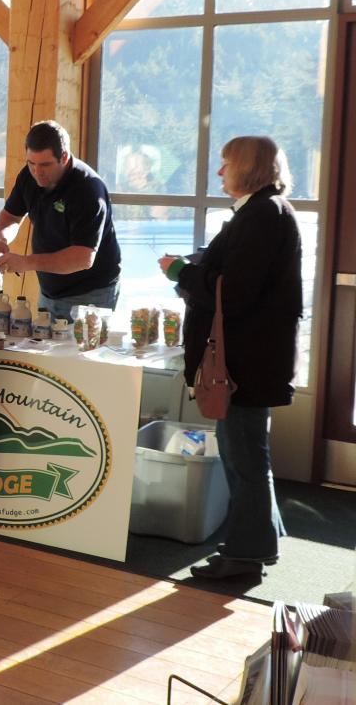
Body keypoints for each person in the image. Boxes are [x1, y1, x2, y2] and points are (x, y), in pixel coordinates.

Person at [158, 136, 302, 581]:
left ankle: (245, 555)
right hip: (250, 357)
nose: (219, 173)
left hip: (245, 361)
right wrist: (195, 268)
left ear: (248, 168)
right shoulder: (262, 212)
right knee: (246, 452)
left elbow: (234, 292)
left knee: (244, 456)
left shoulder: (263, 216)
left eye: (225, 164)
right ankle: (262, 538)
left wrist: (181, 272)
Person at [0, 121, 122, 321]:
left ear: (64, 158)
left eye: (45, 165)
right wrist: (1, 238)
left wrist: (26, 262)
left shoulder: (88, 190)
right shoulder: (28, 176)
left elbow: (83, 257)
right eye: (31, 163)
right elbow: (11, 216)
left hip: (92, 293)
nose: (37, 172)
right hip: (50, 291)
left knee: (81, 352)